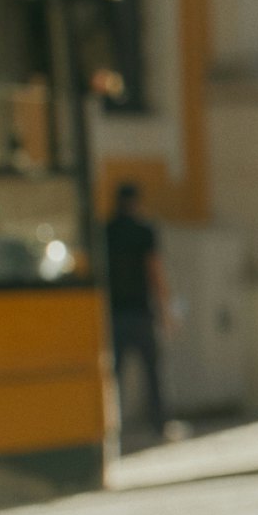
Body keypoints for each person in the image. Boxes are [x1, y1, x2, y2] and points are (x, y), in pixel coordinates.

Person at [105, 181, 173, 440]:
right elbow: (155, 272)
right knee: (153, 373)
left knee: (114, 377)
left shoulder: (106, 231)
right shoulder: (144, 231)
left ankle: (112, 428)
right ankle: (159, 424)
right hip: (141, 312)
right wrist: (165, 311)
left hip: (114, 314)